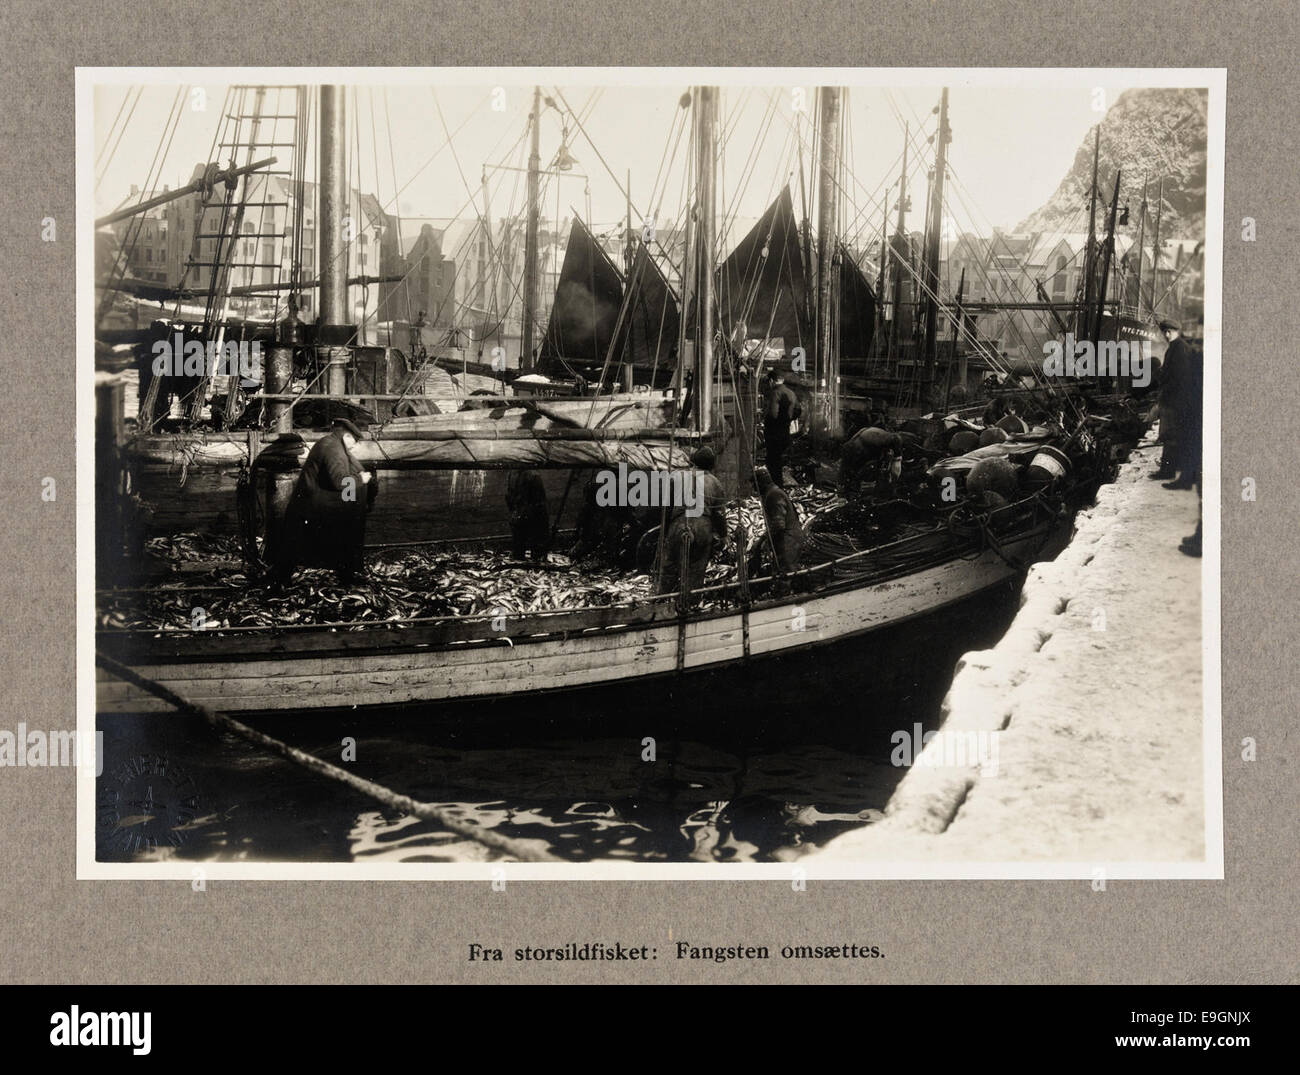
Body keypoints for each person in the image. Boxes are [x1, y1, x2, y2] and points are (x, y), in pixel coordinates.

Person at [275, 418, 374, 586]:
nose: (355, 445)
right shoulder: (333, 449)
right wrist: (361, 479)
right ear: (347, 436)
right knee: (304, 544)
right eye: (355, 440)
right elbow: (338, 481)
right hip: (314, 506)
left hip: (316, 501)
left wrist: (351, 499)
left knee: (297, 545)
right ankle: (345, 578)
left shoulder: (332, 443)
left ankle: (345, 575)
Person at [659, 447, 727, 605]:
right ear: (711, 465)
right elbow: (719, 514)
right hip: (702, 525)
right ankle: (689, 606)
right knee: (696, 570)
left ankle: (660, 604)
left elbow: (666, 507)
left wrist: (665, 532)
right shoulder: (715, 482)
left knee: (669, 567)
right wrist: (724, 535)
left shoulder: (676, 476)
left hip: (678, 522)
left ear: (693, 461)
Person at [1157, 319, 1203, 490]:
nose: (1166, 335)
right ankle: (1167, 469)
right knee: (1170, 435)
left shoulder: (1179, 349)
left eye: (1168, 332)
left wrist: (1166, 394)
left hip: (1176, 400)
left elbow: (1179, 378)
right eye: (1164, 332)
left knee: (1172, 435)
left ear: (1173, 332)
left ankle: (1168, 471)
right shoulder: (1176, 348)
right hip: (1174, 398)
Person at [754, 466, 805, 578]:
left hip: (789, 540)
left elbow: (778, 524)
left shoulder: (774, 495)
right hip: (787, 539)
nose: (753, 488)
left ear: (761, 483)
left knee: (787, 574)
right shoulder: (772, 493)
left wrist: (762, 540)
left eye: (754, 484)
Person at [838, 426, 902, 498]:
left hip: (862, 449)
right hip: (859, 451)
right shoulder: (855, 450)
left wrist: (896, 460)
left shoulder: (874, 437)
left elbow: (896, 439)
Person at [763, 371, 801, 486]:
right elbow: (798, 411)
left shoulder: (775, 393)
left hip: (774, 433)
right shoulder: (791, 393)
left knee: (773, 461)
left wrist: (766, 422)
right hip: (785, 431)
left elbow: (773, 415)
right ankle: (779, 486)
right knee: (779, 460)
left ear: (771, 381)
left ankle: (775, 486)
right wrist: (788, 419)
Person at [506, 469, 550, 562]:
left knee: (518, 551)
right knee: (538, 552)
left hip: (518, 515)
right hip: (532, 516)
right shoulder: (534, 475)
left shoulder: (511, 473)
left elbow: (508, 496)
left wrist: (514, 512)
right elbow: (539, 501)